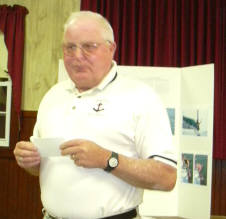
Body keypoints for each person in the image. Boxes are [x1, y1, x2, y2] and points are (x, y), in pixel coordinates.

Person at [14, 11, 177, 219]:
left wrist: (107, 159)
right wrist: (31, 161)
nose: (77, 56)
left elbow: (166, 177)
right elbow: (42, 169)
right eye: (70, 48)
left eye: (89, 46)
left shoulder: (141, 97)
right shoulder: (52, 96)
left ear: (111, 49)